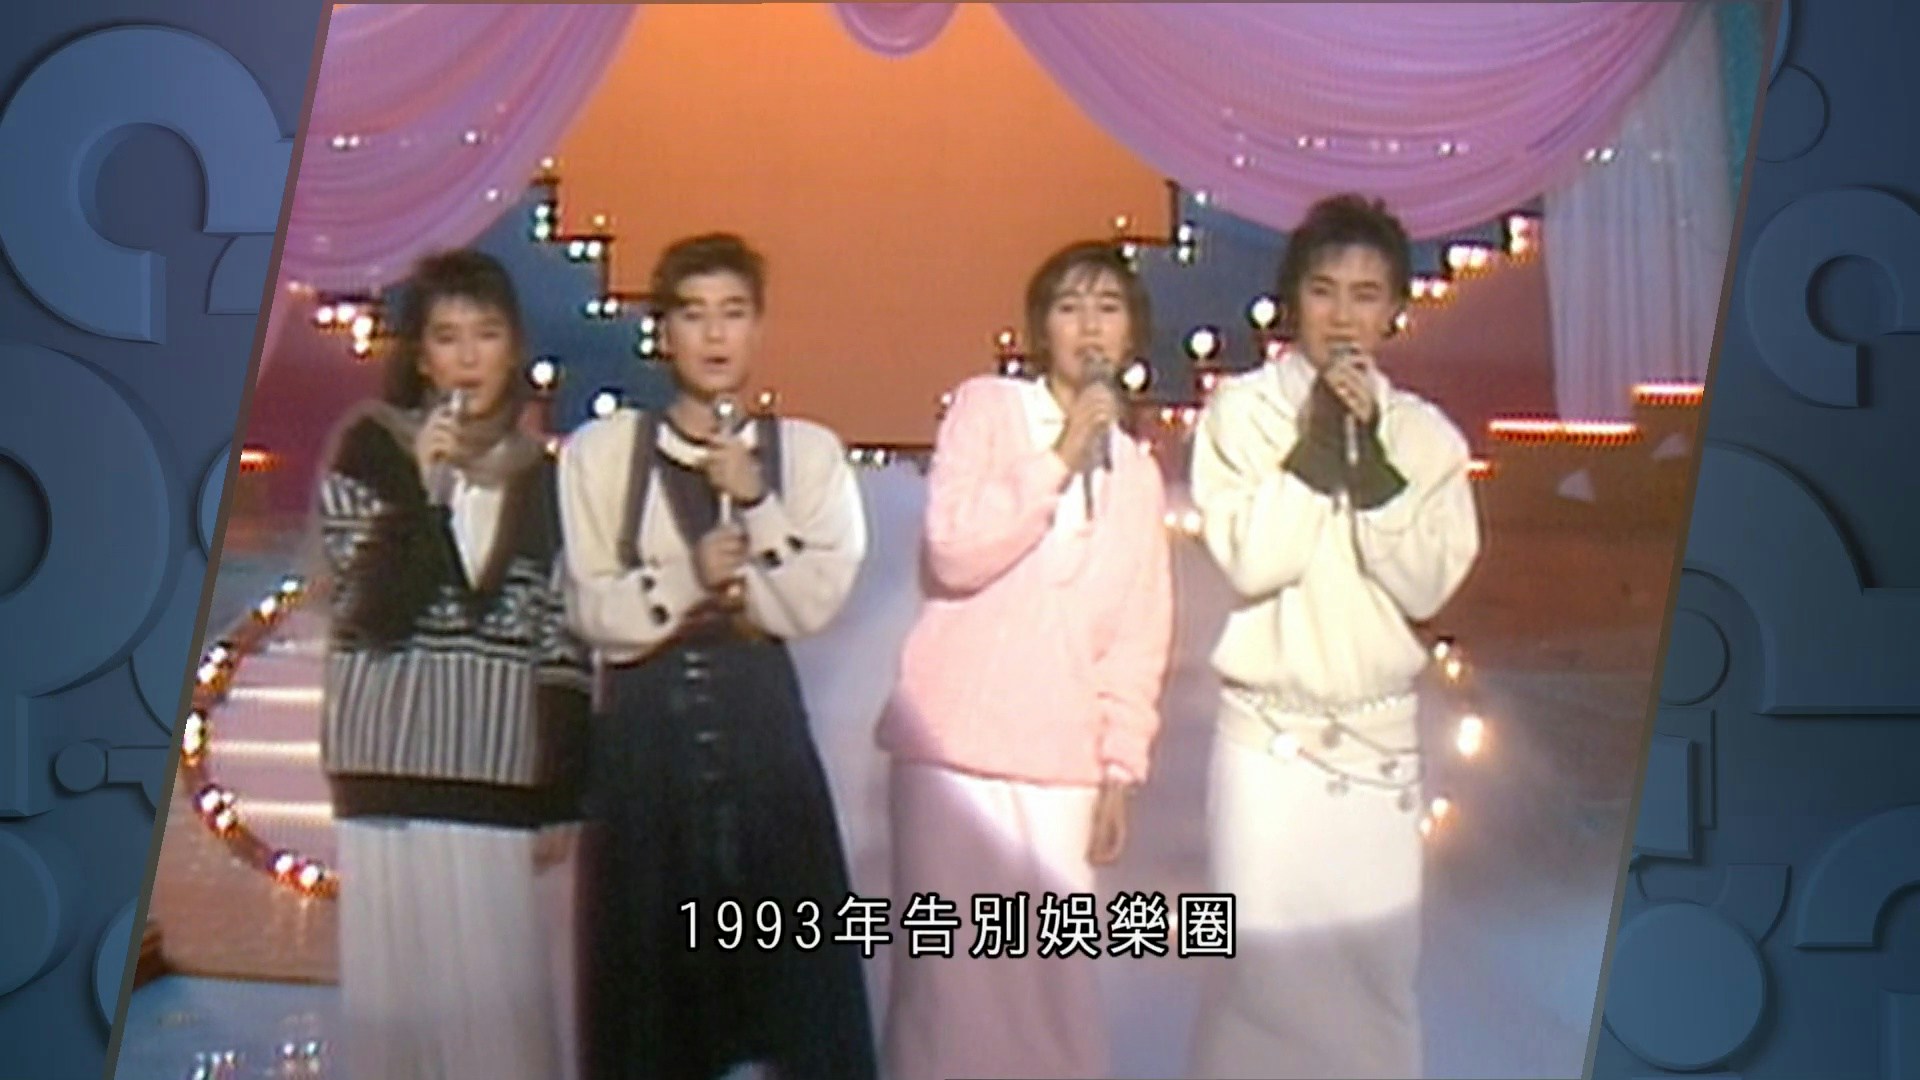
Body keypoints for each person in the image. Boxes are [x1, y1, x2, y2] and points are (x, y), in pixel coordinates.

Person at [557, 233, 877, 1080]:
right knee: (650, 988)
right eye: (693, 315)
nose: (714, 335)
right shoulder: (603, 454)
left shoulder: (806, 454)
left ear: (758, 327)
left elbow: (812, 601)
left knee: (792, 984)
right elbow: (591, 610)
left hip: (763, 729)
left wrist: (758, 504)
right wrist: (687, 576)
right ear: (663, 332)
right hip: (644, 738)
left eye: (733, 314)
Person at [1186, 193, 1482, 1079]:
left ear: (1393, 309)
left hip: (1377, 742)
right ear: (1293, 299)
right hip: (1266, 740)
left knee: (1376, 979)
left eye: (1365, 294)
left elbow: (1427, 583)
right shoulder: (1242, 414)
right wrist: (1319, 448)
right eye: (1324, 291)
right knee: (1257, 976)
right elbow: (1253, 559)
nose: (1343, 316)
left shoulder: (1425, 437)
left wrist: (1374, 465)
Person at [877, 240, 1175, 1080]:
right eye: (1069, 307)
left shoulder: (1137, 473)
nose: (1089, 326)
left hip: (1062, 766)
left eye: (1108, 308)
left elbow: (1138, 631)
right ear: (1042, 329)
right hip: (952, 757)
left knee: (1052, 999)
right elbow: (954, 550)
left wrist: (1120, 767)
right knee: (948, 990)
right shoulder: (988, 409)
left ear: (1131, 334)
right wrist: (1058, 458)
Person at [315, 249, 590, 1080]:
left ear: (513, 348)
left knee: (496, 1028)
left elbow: (560, 639)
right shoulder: (371, 450)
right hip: (386, 771)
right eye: (447, 336)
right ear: (422, 356)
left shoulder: (544, 479)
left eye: (486, 333)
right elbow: (369, 611)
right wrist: (422, 493)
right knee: (397, 1025)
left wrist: (561, 795)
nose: (468, 356)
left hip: (492, 778)